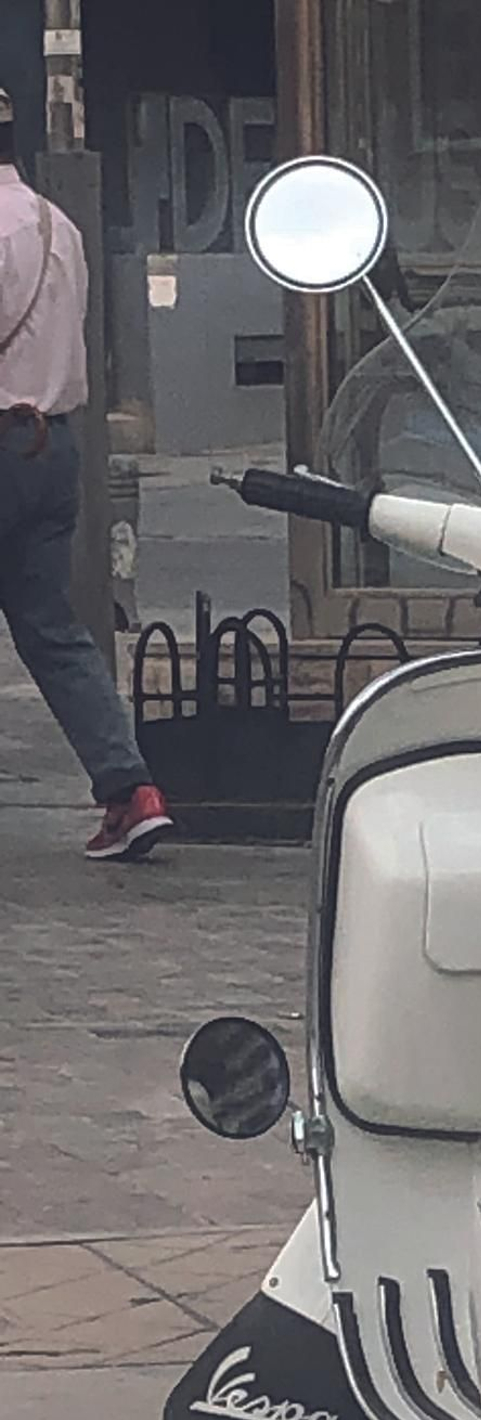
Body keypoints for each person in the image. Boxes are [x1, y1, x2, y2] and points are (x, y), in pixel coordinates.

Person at [0, 87, 172, 859]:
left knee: (49, 626)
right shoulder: (55, 225)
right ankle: (129, 789)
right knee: (52, 629)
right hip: (51, 447)